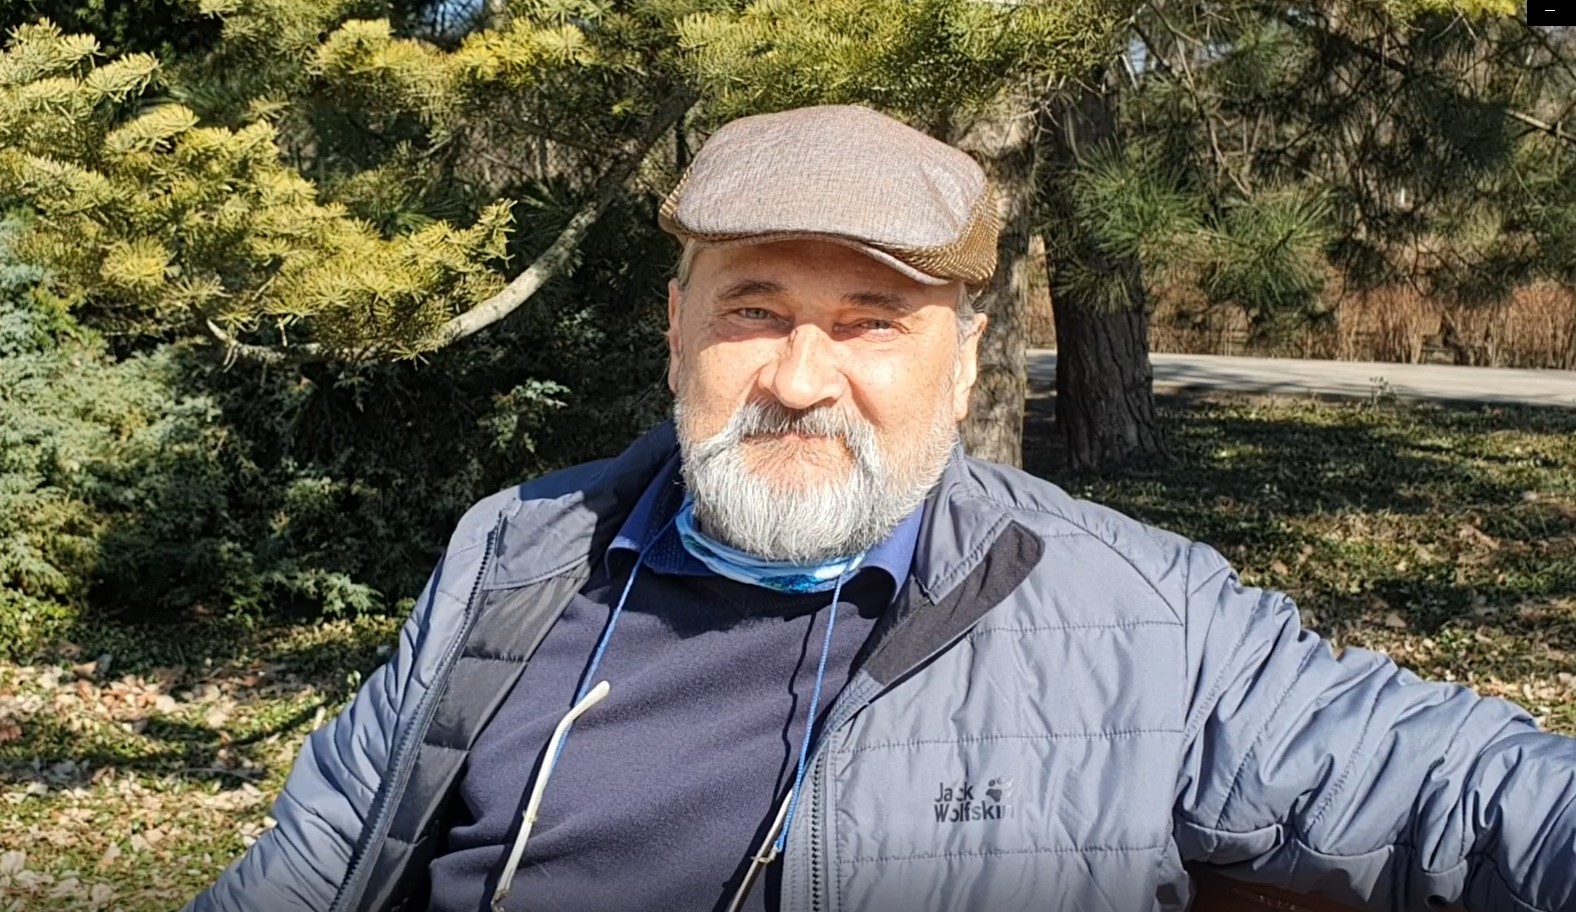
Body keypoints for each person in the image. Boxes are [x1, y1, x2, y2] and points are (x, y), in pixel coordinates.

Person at [187, 105, 1576, 912]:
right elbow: (310, 866)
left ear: (964, 359)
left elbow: (1455, 789)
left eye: (870, 322)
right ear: (677, 334)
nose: (801, 380)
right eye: (754, 311)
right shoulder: (518, 556)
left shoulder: (1140, 619)